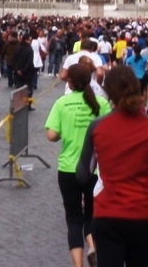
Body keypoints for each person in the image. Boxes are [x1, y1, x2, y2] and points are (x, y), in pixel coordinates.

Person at [76, 66, 148, 267]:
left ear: (108, 92)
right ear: (138, 88)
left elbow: (83, 174)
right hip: (146, 215)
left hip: (108, 215)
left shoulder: (97, 127)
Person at [45, 62, 111, 267]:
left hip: (68, 168)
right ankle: (93, 246)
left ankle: (78, 264)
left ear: (70, 82)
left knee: (73, 219)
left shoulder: (62, 103)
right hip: (95, 169)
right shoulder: (101, 103)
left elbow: (51, 135)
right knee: (92, 215)